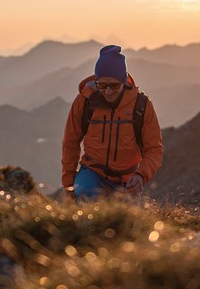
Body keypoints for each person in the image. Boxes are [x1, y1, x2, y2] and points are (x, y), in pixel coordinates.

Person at [61, 45, 163, 200]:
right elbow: (71, 142)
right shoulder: (85, 102)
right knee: (84, 198)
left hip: (127, 179)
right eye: (102, 85)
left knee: (129, 222)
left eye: (114, 86)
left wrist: (141, 175)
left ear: (124, 81)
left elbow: (154, 149)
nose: (108, 91)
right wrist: (69, 185)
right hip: (92, 173)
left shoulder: (141, 106)